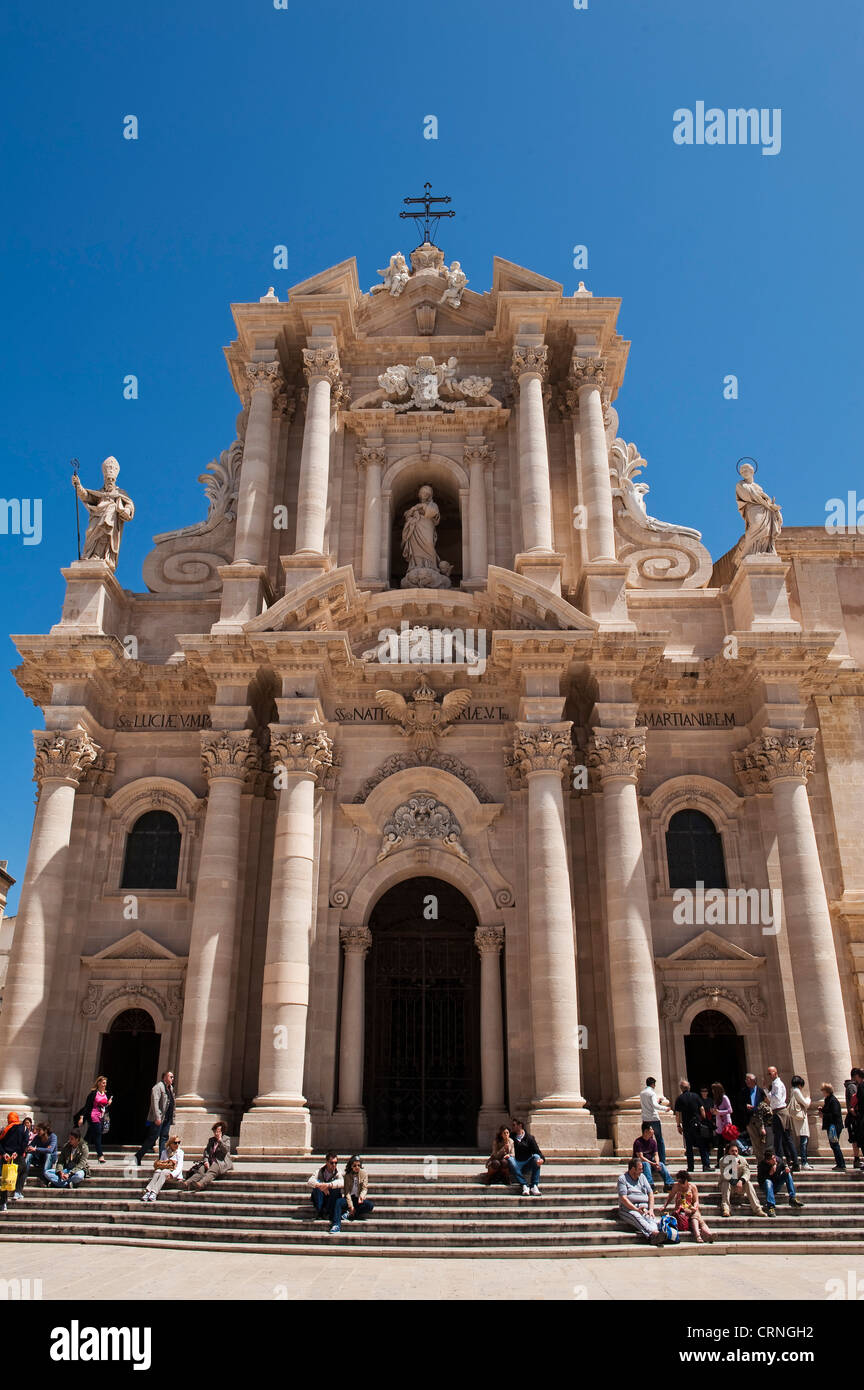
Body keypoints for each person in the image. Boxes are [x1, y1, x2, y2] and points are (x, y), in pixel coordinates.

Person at [617, 1157, 665, 1245]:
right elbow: (623, 1198)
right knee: (636, 1216)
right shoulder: (622, 1179)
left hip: (644, 1207)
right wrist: (635, 1209)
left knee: (651, 1218)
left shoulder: (642, 1177)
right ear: (632, 1169)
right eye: (639, 1169)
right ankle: (653, 1233)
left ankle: (654, 1235)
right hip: (628, 1209)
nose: (641, 1171)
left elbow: (650, 1193)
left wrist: (651, 1209)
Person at [134, 1070, 175, 1165]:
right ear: (164, 1077)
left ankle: (162, 1159)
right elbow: (155, 1103)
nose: (172, 1079)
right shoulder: (158, 1087)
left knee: (164, 1138)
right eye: (171, 1077)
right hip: (159, 1118)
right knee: (153, 1137)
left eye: (173, 1077)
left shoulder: (170, 1088)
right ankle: (138, 1155)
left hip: (167, 1118)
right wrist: (157, 1117)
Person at [664, 1169, 714, 1244]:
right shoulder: (676, 1186)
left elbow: (696, 1201)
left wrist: (695, 1207)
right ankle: (701, 1235)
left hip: (691, 1208)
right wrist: (664, 1206)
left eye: (681, 1182)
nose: (680, 1183)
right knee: (696, 1218)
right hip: (681, 1210)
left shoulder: (692, 1187)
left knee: (696, 1216)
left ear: (686, 1180)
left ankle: (707, 1234)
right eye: (679, 1181)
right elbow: (670, 1197)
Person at [718, 1143, 766, 1218]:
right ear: (728, 1152)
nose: (734, 1153)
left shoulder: (742, 1160)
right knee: (725, 1183)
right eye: (732, 1151)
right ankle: (726, 1208)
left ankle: (757, 1209)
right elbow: (725, 1175)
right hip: (729, 1186)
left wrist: (741, 1181)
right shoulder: (723, 1160)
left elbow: (747, 1172)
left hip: (740, 1186)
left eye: (736, 1151)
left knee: (748, 1183)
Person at [673, 1079, 711, 1173]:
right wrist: (703, 1119)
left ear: (681, 1088)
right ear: (689, 1087)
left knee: (689, 1148)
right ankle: (706, 1165)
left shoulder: (679, 1099)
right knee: (702, 1145)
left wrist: (678, 1125)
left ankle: (691, 1167)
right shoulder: (695, 1096)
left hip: (686, 1125)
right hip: (697, 1124)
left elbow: (677, 1114)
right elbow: (702, 1109)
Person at [184, 1122, 233, 1190]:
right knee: (201, 1170)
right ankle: (188, 1182)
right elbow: (206, 1152)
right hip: (211, 1161)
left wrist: (220, 1141)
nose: (216, 1133)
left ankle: (201, 1183)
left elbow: (225, 1150)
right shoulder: (211, 1140)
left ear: (222, 1131)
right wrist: (206, 1161)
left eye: (218, 1131)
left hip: (221, 1162)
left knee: (212, 1171)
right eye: (215, 1131)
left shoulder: (226, 1139)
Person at [308, 1151, 348, 1234]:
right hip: (322, 1197)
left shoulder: (338, 1172)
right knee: (317, 1187)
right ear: (326, 1162)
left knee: (336, 1189)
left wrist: (328, 1186)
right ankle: (321, 1212)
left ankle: (328, 1213)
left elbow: (342, 1182)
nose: (334, 1165)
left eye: (336, 1163)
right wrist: (321, 1186)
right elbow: (310, 1181)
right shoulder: (319, 1171)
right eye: (331, 1163)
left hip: (331, 1198)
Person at [75, 1075, 112, 1164]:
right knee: (98, 1134)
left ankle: (77, 1150)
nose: (104, 1085)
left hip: (101, 1117)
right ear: (98, 1083)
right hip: (93, 1116)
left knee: (88, 1136)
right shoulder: (93, 1094)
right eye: (103, 1083)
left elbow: (103, 1107)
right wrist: (81, 1117)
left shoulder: (105, 1094)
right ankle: (100, 1155)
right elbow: (87, 1106)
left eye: (105, 1083)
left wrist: (108, 1104)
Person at [757, 1148, 804, 1216]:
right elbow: (760, 1181)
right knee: (768, 1182)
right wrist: (770, 1173)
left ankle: (792, 1198)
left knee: (787, 1173)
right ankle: (771, 1207)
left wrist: (786, 1168)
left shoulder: (778, 1160)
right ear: (768, 1161)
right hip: (767, 1188)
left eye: (774, 1157)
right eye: (772, 1159)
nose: (774, 1159)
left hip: (777, 1184)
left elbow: (784, 1165)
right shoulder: (762, 1165)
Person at [766, 1067, 797, 1167]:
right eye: (768, 1074)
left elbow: (776, 1099)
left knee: (779, 1139)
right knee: (785, 1138)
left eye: (770, 1073)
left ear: (775, 1073)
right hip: (780, 1112)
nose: (769, 1076)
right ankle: (792, 1160)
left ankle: (781, 1162)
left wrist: (767, 1093)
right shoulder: (776, 1084)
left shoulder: (777, 1084)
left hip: (779, 1112)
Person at [506, 1117, 545, 1195]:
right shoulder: (511, 1137)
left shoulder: (529, 1138)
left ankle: (534, 1185)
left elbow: (537, 1151)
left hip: (527, 1163)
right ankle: (524, 1185)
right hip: (516, 1163)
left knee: (536, 1157)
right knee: (510, 1159)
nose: (512, 1127)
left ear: (520, 1126)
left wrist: (542, 1159)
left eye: (514, 1125)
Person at [0, 1112, 31, 1211]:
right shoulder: (24, 1128)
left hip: (6, 1157)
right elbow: (25, 1142)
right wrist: (17, 1152)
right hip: (17, 1156)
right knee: (24, 1170)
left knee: (4, 1180)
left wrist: (4, 1153)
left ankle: (3, 1203)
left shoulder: (5, 1129)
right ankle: (18, 1191)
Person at [141, 1134, 184, 1202]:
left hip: (173, 1173)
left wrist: (172, 1175)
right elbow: (161, 1164)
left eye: (179, 1142)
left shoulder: (180, 1152)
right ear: (170, 1143)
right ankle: (148, 1191)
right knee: (158, 1171)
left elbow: (180, 1166)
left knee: (164, 1172)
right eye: (175, 1143)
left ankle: (154, 1192)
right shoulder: (164, 1152)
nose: (177, 1144)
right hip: (164, 1171)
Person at [633, 1122, 673, 1190]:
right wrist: (652, 1164)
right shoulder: (638, 1142)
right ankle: (650, 1185)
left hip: (651, 1163)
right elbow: (641, 1157)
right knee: (646, 1164)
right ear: (645, 1131)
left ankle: (668, 1183)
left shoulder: (653, 1142)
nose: (653, 1131)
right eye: (651, 1129)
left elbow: (656, 1154)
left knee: (661, 1164)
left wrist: (657, 1163)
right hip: (640, 1164)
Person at [640, 1076, 670, 1164]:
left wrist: (657, 1101)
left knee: (649, 1140)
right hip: (653, 1118)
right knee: (659, 1140)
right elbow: (655, 1106)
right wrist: (665, 1108)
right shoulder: (652, 1093)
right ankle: (662, 1160)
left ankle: (651, 1159)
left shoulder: (642, 1093)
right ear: (653, 1084)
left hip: (645, 1118)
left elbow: (649, 1104)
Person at [739, 1074, 770, 1160]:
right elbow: (739, 1105)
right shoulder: (744, 1091)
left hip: (761, 1119)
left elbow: (767, 1102)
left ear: (754, 1081)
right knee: (755, 1140)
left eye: (748, 1080)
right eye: (746, 1080)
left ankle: (766, 1158)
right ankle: (760, 1160)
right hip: (750, 1119)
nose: (746, 1081)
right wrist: (745, 1106)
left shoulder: (760, 1091)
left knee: (764, 1138)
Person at [819, 1082, 847, 1170]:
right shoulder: (828, 1100)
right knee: (834, 1145)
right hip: (831, 1126)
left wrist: (824, 1115)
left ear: (827, 1091)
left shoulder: (833, 1100)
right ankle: (839, 1163)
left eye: (823, 1091)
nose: (822, 1093)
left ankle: (841, 1164)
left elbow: (835, 1114)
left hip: (834, 1126)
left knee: (835, 1145)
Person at [787, 1075, 812, 1170]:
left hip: (797, 1118)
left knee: (803, 1140)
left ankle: (804, 1161)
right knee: (804, 1141)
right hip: (800, 1119)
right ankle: (804, 1162)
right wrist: (808, 1099)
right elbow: (806, 1104)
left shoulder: (792, 1091)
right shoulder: (796, 1091)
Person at [343, 1155, 374, 1223]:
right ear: (351, 1166)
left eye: (358, 1165)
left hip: (358, 1198)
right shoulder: (347, 1175)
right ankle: (351, 1213)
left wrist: (361, 1196)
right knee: (340, 1202)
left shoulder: (364, 1173)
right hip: (350, 1198)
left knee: (369, 1205)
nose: (357, 1167)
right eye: (354, 1165)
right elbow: (347, 1192)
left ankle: (353, 1214)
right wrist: (351, 1206)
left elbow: (364, 1188)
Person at [710, 1083, 734, 1165]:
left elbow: (730, 1110)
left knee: (727, 1144)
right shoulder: (716, 1099)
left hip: (726, 1125)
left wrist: (719, 1112)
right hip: (720, 1126)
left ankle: (730, 1161)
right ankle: (719, 1162)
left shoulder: (724, 1098)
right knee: (720, 1145)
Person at [844, 1068, 863, 1169]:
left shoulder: (853, 1086)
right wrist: (857, 1114)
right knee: (855, 1139)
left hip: (855, 1117)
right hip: (854, 1118)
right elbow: (853, 1103)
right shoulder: (852, 1086)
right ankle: (857, 1159)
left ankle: (857, 1159)